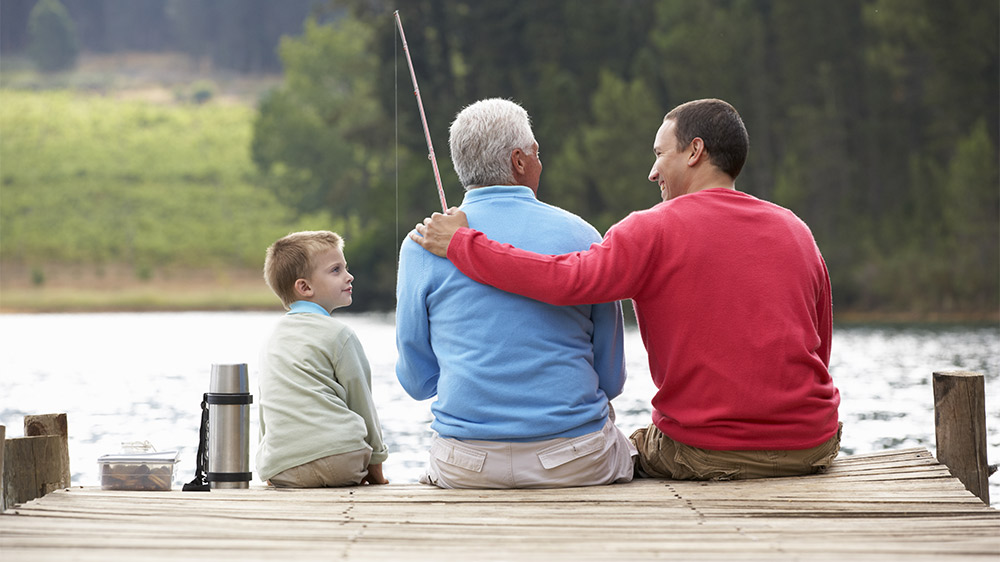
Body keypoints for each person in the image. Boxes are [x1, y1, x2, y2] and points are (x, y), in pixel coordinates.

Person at [410, 98, 841, 481]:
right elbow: (819, 347)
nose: (653, 171)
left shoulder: (653, 229)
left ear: (695, 152)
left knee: (636, 448)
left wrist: (464, 245)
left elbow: (568, 280)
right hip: (812, 445)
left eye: (659, 154)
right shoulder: (795, 229)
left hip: (706, 452)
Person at [395, 98, 636, 489]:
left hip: (466, 465)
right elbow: (612, 379)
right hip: (575, 461)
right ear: (520, 161)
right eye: (537, 153)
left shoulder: (420, 245)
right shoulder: (582, 236)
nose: (541, 162)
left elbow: (417, 382)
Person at [257, 230, 389, 487]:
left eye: (346, 268)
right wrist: (377, 469)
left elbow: (267, 407)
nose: (349, 276)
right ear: (305, 287)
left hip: (283, 467)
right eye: (336, 270)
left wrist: (270, 462)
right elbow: (361, 402)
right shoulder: (340, 334)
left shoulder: (272, 337)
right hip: (342, 461)